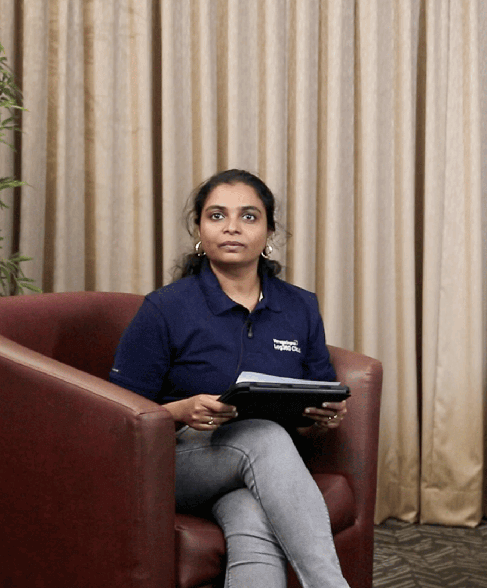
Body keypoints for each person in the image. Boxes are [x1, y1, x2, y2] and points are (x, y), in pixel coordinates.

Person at [109, 169, 352, 587]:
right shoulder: (165, 308)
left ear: (269, 232)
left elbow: (315, 398)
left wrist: (321, 417)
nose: (232, 227)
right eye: (217, 215)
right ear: (199, 229)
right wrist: (181, 410)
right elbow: (117, 414)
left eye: (249, 216)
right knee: (263, 436)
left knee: (251, 513)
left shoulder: (300, 306)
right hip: (177, 463)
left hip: (264, 469)